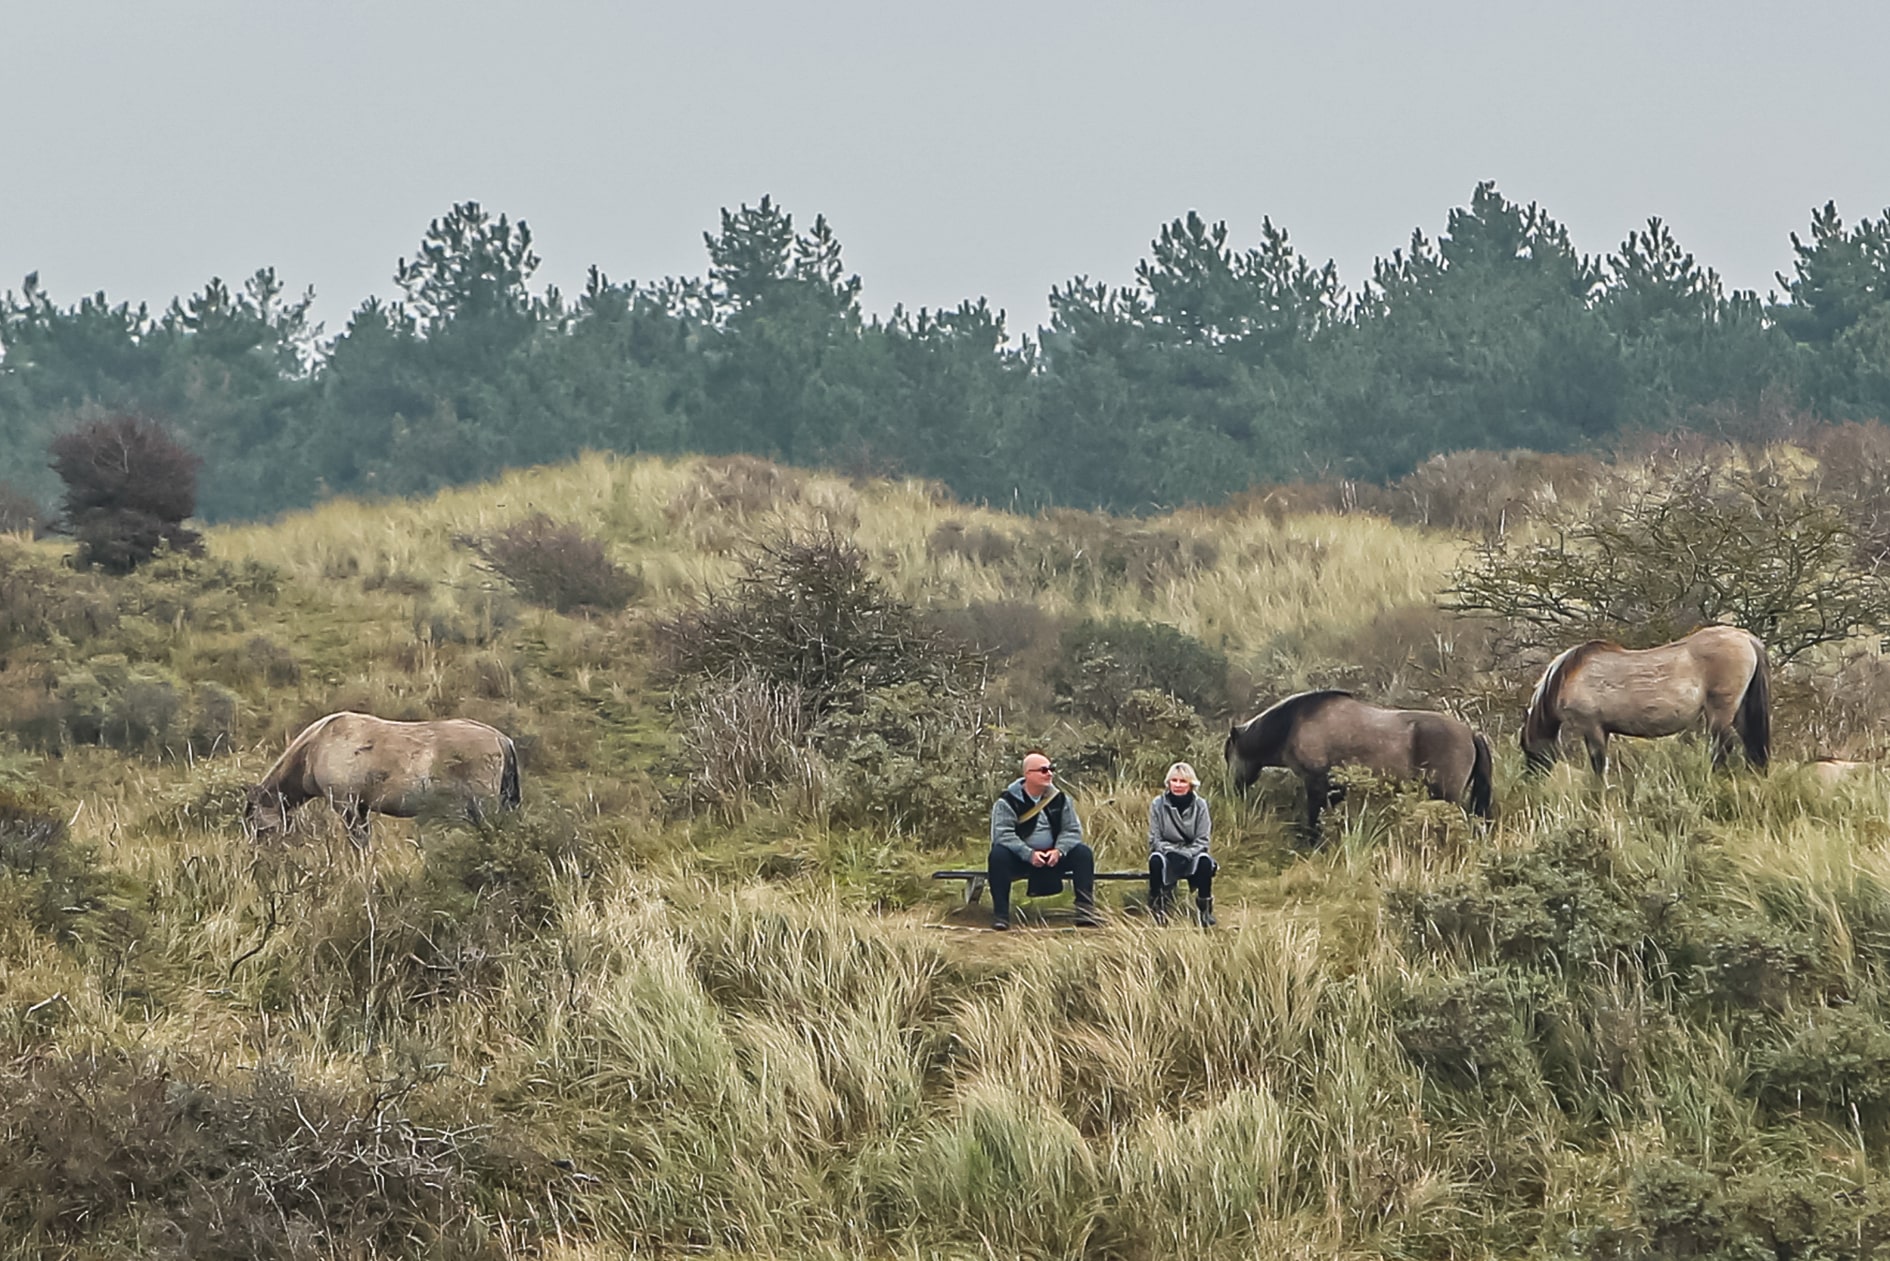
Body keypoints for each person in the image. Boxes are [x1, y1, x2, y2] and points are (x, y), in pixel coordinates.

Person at [987, 751, 1097, 931]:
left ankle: (1085, 912)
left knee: (1083, 853)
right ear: (1028, 774)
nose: (1049, 774)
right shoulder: (1006, 801)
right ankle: (1001, 916)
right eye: (1043, 770)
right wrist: (1028, 854)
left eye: (1051, 769)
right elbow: (1002, 834)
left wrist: (1059, 851)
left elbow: (1072, 830)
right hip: (1021, 858)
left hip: (1053, 856)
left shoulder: (1060, 799)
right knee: (998, 855)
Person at [1148, 761, 1216, 926]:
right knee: (1155, 860)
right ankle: (1158, 910)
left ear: (1191, 784)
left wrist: (1186, 854)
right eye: (1174, 780)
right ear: (1168, 783)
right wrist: (1170, 852)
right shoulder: (1157, 804)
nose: (1178, 785)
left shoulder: (1200, 805)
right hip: (1166, 853)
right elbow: (1154, 839)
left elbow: (1202, 840)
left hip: (1192, 853)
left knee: (1205, 862)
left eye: (1183, 781)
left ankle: (1205, 910)